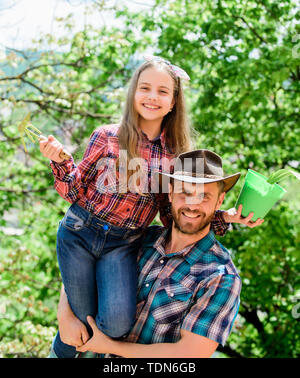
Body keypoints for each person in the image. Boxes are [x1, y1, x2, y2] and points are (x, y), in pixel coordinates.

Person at [42, 56, 263, 359]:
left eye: (163, 91)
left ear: (174, 102)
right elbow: (77, 190)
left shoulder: (173, 158)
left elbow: (174, 211)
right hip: (82, 229)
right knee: (79, 312)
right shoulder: (107, 137)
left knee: (114, 323)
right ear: (133, 93)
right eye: (145, 88)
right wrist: (61, 162)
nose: (152, 97)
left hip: (121, 242)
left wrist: (227, 219)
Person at [56, 149, 253, 358]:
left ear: (220, 201)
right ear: (170, 193)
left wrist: (110, 347)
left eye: (205, 196)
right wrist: (64, 315)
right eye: (184, 192)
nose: (192, 205)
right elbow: (82, 263)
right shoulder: (139, 237)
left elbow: (188, 354)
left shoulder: (220, 277)